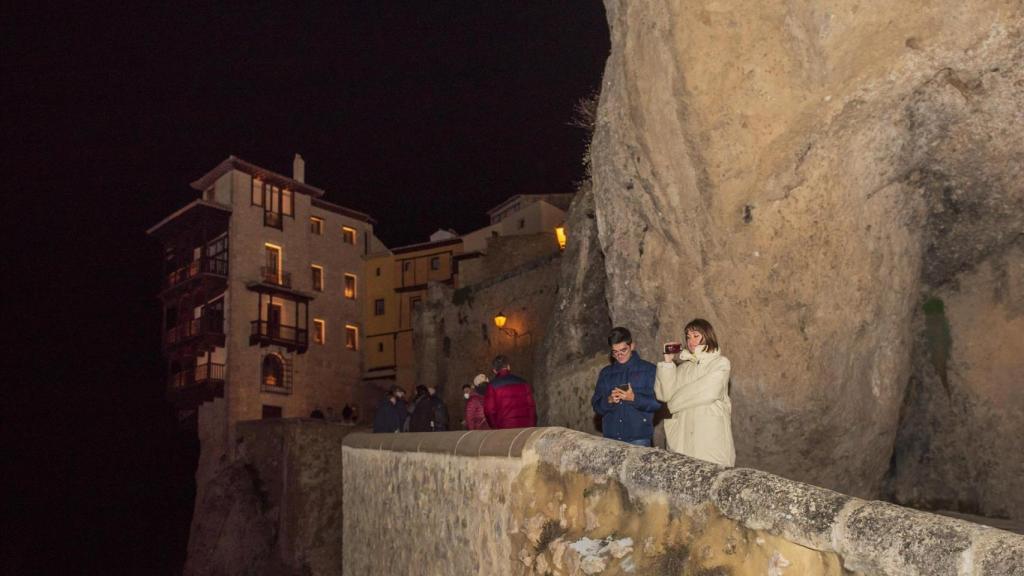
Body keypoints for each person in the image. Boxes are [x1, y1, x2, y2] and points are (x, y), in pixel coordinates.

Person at [655, 318, 735, 466]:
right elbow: (664, 395)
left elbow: (709, 391)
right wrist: (667, 363)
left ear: (707, 336)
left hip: (709, 440)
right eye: (688, 337)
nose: (691, 341)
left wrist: (673, 403)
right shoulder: (683, 368)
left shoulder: (720, 363)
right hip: (683, 439)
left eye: (696, 336)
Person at [591, 327, 661, 446]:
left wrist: (634, 398)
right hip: (611, 440)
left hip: (639, 439)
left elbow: (657, 403)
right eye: (615, 352)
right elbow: (596, 406)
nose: (619, 355)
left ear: (632, 346)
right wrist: (609, 400)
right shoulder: (606, 373)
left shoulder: (649, 370)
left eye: (623, 350)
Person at [484, 355, 537, 429]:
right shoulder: (524, 383)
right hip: (526, 429)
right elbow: (531, 407)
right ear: (508, 367)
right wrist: (532, 425)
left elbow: (489, 411)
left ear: (494, 370)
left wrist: (496, 428)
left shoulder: (492, 386)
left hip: (506, 430)